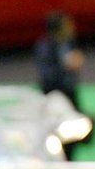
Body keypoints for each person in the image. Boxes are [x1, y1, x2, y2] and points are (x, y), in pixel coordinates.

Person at [35, 11, 88, 159]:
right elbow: (47, 76)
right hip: (55, 99)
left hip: (70, 94)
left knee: (75, 133)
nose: (72, 28)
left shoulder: (70, 42)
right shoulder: (45, 47)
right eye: (67, 25)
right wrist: (67, 67)